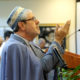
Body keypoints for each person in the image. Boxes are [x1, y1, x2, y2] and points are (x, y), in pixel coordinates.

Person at [0, 6, 70, 80]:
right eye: (33, 19)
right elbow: (42, 67)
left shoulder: (28, 44)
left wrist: (58, 40)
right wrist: (58, 39)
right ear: (22, 25)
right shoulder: (15, 46)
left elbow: (45, 63)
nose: (37, 21)